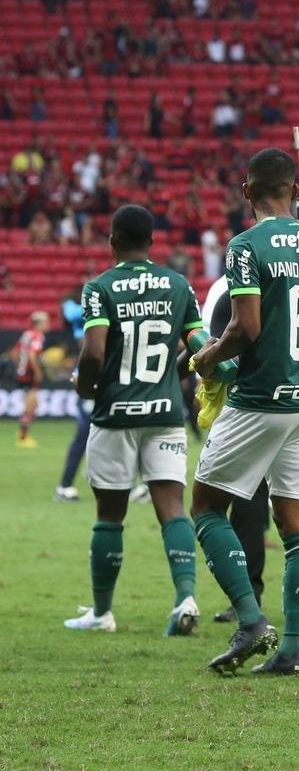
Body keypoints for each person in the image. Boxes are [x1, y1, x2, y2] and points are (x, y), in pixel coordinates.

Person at [188, 147, 299, 676]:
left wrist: (206, 359)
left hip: (261, 399)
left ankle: (252, 621)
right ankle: (293, 650)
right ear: (294, 193)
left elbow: (246, 328)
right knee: (298, 525)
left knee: (208, 508)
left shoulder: (244, 246)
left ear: (246, 191)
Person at [62, 204, 204, 636]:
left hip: (115, 413)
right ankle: (187, 598)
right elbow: (199, 345)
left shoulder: (99, 287)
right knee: (173, 509)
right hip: (165, 413)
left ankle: (102, 614)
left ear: (112, 241)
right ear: (153, 243)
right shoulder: (179, 284)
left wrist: (85, 386)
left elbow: (94, 352)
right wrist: (170, 374)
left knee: (110, 515)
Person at [56, 287, 91, 501]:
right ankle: (64, 485)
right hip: (88, 381)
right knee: (83, 435)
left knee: (114, 432)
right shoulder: (75, 310)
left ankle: (123, 482)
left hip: (101, 379)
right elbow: (70, 313)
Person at [14, 311, 49, 448]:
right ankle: (23, 437)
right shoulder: (37, 336)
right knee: (31, 406)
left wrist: (19, 367)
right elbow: (32, 355)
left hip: (22, 373)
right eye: (46, 322)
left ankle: (22, 433)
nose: (48, 325)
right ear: (38, 323)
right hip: (30, 374)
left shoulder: (26, 334)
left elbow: (15, 352)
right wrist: (38, 372)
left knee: (32, 404)